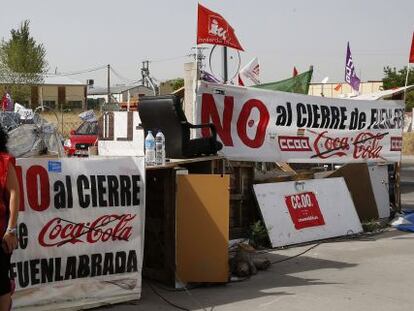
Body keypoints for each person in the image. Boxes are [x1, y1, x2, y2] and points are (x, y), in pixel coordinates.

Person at [0, 127, 19, 311]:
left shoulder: (4, 162)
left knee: (0, 285)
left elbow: (14, 195)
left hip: (0, 235)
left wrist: (11, 230)